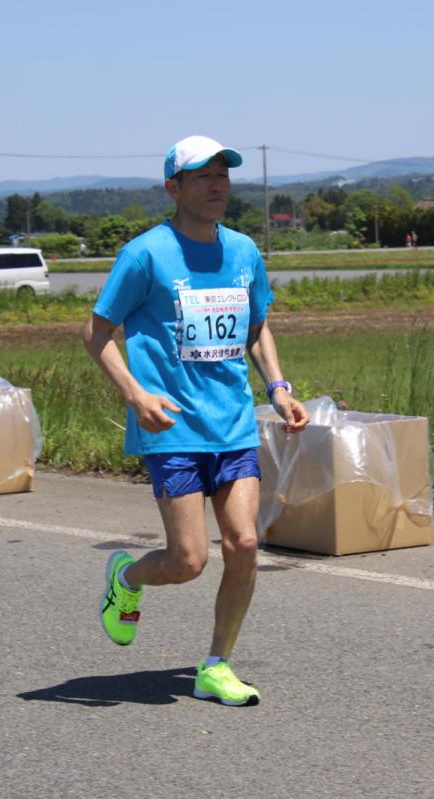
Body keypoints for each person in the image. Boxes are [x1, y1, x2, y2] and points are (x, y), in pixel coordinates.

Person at [83, 135, 308, 707]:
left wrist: (278, 388)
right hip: (173, 428)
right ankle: (126, 578)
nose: (216, 186)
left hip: (232, 424)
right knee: (188, 561)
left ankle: (216, 666)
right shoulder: (146, 254)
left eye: (223, 176)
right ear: (173, 188)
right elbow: (97, 333)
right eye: (203, 176)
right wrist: (136, 394)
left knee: (244, 543)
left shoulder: (244, 251)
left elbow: (256, 327)